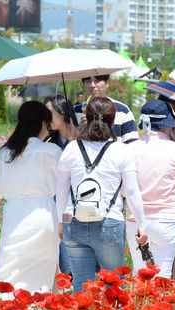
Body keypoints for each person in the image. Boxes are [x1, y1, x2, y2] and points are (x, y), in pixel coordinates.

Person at [56, 97, 148, 292]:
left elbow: (61, 192)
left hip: (74, 221)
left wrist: (62, 221)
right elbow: (132, 192)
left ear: (86, 119)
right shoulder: (122, 151)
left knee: (81, 286)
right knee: (113, 286)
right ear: (113, 122)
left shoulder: (71, 148)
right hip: (109, 221)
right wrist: (142, 224)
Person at [0, 101, 62, 301]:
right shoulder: (52, 152)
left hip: (15, 216)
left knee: (7, 266)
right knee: (42, 272)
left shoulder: (6, 154)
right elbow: (65, 187)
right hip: (45, 216)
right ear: (43, 124)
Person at [126, 99, 175, 279]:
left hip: (136, 219)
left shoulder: (129, 149)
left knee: (139, 272)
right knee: (163, 274)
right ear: (167, 125)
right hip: (167, 220)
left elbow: (125, 191)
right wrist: (174, 202)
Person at [45, 95, 79, 279]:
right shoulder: (47, 143)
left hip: (78, 204)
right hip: (55, 205)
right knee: (60, 254)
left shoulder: (82, 140)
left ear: (63, 113)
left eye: (49, 113)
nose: (46, 117)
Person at [73, 74, 139, 144]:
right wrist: (81, 129)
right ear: (83, 84)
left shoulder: (122, 110)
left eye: (97, 80)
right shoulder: (76, 110)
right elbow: (70, 142)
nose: (92, 85)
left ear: (107, 83)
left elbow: (132, 144)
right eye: (88, 81)